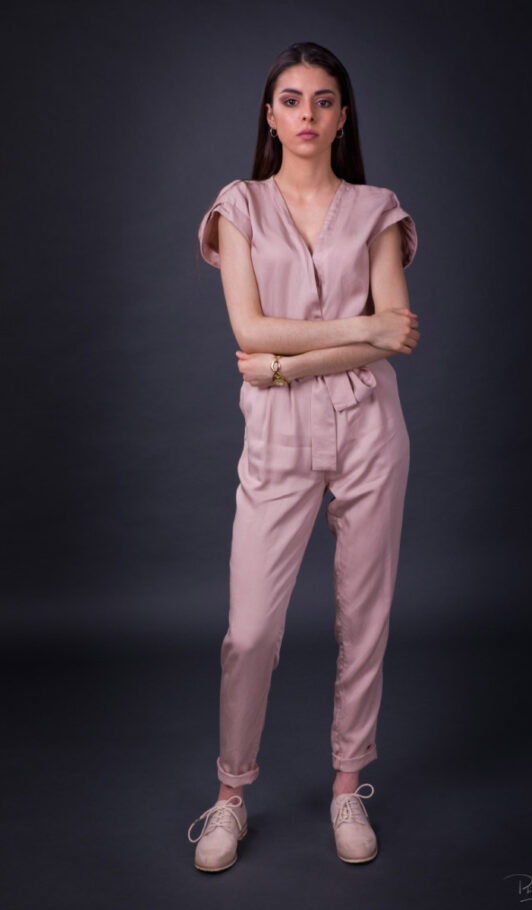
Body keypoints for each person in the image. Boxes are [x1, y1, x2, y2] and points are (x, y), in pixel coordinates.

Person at [187, 41, 420, 872]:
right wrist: (357, 329)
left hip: (368, 431)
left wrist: (289, 362)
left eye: (324, 101)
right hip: (277, 437)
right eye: (292, 100)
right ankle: (229, 796)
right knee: (250, 631)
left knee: (366, 618)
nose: (308, 115)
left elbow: (388, 335)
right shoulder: (239, 205)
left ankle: (346, 785)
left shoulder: (377, 208)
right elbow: (249, 332)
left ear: (343, 116)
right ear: (270, 115)